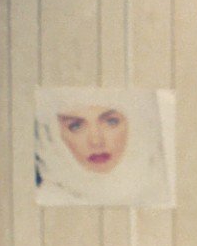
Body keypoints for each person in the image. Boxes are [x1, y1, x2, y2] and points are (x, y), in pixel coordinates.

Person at [34, 87, 172, 207]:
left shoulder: (167, 188)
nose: (96, 141)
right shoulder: (46, 200)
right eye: (76, 126)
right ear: (55, 135)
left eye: (111, 122)